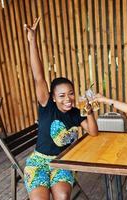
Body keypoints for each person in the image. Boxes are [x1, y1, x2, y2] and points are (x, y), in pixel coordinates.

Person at [24, 17, 98, 200]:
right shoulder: (46, 105)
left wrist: (89, 113)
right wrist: (32, 40)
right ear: (53, 97)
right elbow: (38, 75)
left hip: (62, 162)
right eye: (62, 95)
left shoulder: (75, 113)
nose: (68, 99)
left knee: (63, 197)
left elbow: (94, 133)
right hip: (38, 162)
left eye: (71, 93)